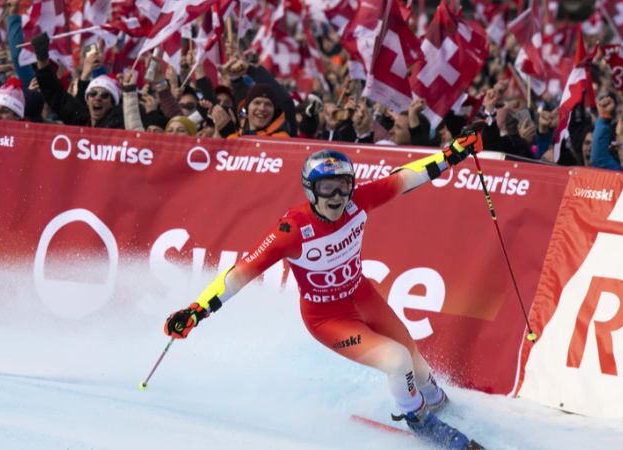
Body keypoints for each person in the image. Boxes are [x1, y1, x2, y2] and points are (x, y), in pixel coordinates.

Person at [163, 131, 487, 450]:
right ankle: (420, 420)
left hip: (361, 295)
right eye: (326, 189)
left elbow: (405, 178)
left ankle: (436, 401)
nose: (336, 197)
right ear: (311, 191)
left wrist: (451, 155)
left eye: (343, 187)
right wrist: (198, 309)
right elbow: (240, 273)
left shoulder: (358, 201)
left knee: (414, 358)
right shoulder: (291, 232)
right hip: (327, 318)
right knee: (396, 359)